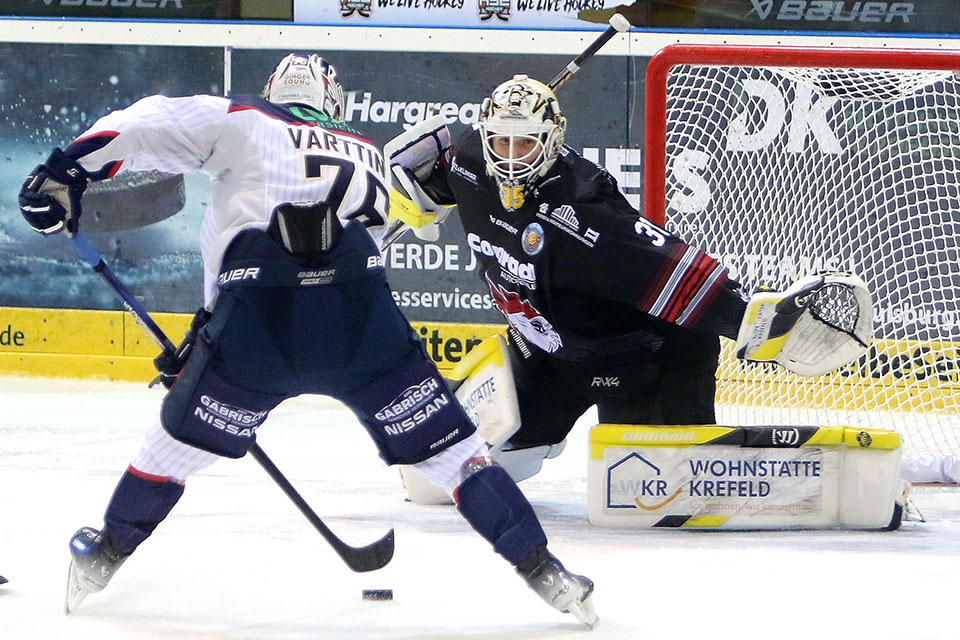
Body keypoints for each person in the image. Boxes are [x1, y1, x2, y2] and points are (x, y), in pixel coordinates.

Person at [18, 55, 597, 627]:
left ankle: (104, 556)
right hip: (363, 328)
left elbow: (146, 123)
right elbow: (346, 257)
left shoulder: (247, 119)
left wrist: (67, 168)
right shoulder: (369, 155)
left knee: (169, 453)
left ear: (271, 91)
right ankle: (546, 571)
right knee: (457, 458)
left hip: (256, 328)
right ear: (334, 104)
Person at [387, 74, 869, 485]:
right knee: (439, 473)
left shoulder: (586, 215)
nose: (511, 157)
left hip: (641, 359)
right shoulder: (472, 161)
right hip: (547, 355)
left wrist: (756, 322)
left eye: (526, 143)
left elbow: (682, 274)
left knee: (655, 490)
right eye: (501, 141)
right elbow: (443, 166)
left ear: (553, 139)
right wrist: (419, 185)